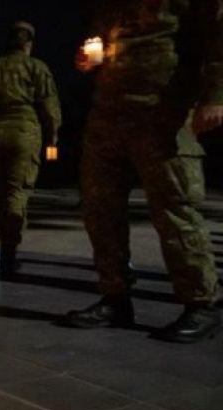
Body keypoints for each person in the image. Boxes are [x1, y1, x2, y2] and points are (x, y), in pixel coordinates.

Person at [64, 0, 223, 343]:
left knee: (175, 208)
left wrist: (216, 95)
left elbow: (218, 32)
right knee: (99, 207)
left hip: (164, 108)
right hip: (109, 110)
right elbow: (102, 38)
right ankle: (114, 297)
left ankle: (202, 303)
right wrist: (90, 57)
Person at [0, 21, 62, 277]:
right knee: (16, 191)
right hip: (25, 132)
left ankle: (3, 238)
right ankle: (9, 251)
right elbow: (49, 103)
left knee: (0, 190)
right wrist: (53, 133)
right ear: (28, 43)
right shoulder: (37, 67)